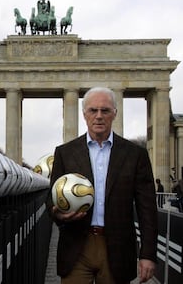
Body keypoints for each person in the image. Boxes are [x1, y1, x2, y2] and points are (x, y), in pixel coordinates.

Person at [47, 87, 158, 284]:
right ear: (84, 114)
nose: (99, 116)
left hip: (117, 247)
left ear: (115, 113)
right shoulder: (65, 153)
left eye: (105, 110)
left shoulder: (135, 155)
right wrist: (59, 214)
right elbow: (51, 200)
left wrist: (148, 254)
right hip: (76, 247)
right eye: (93, 110)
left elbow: (147, 208)